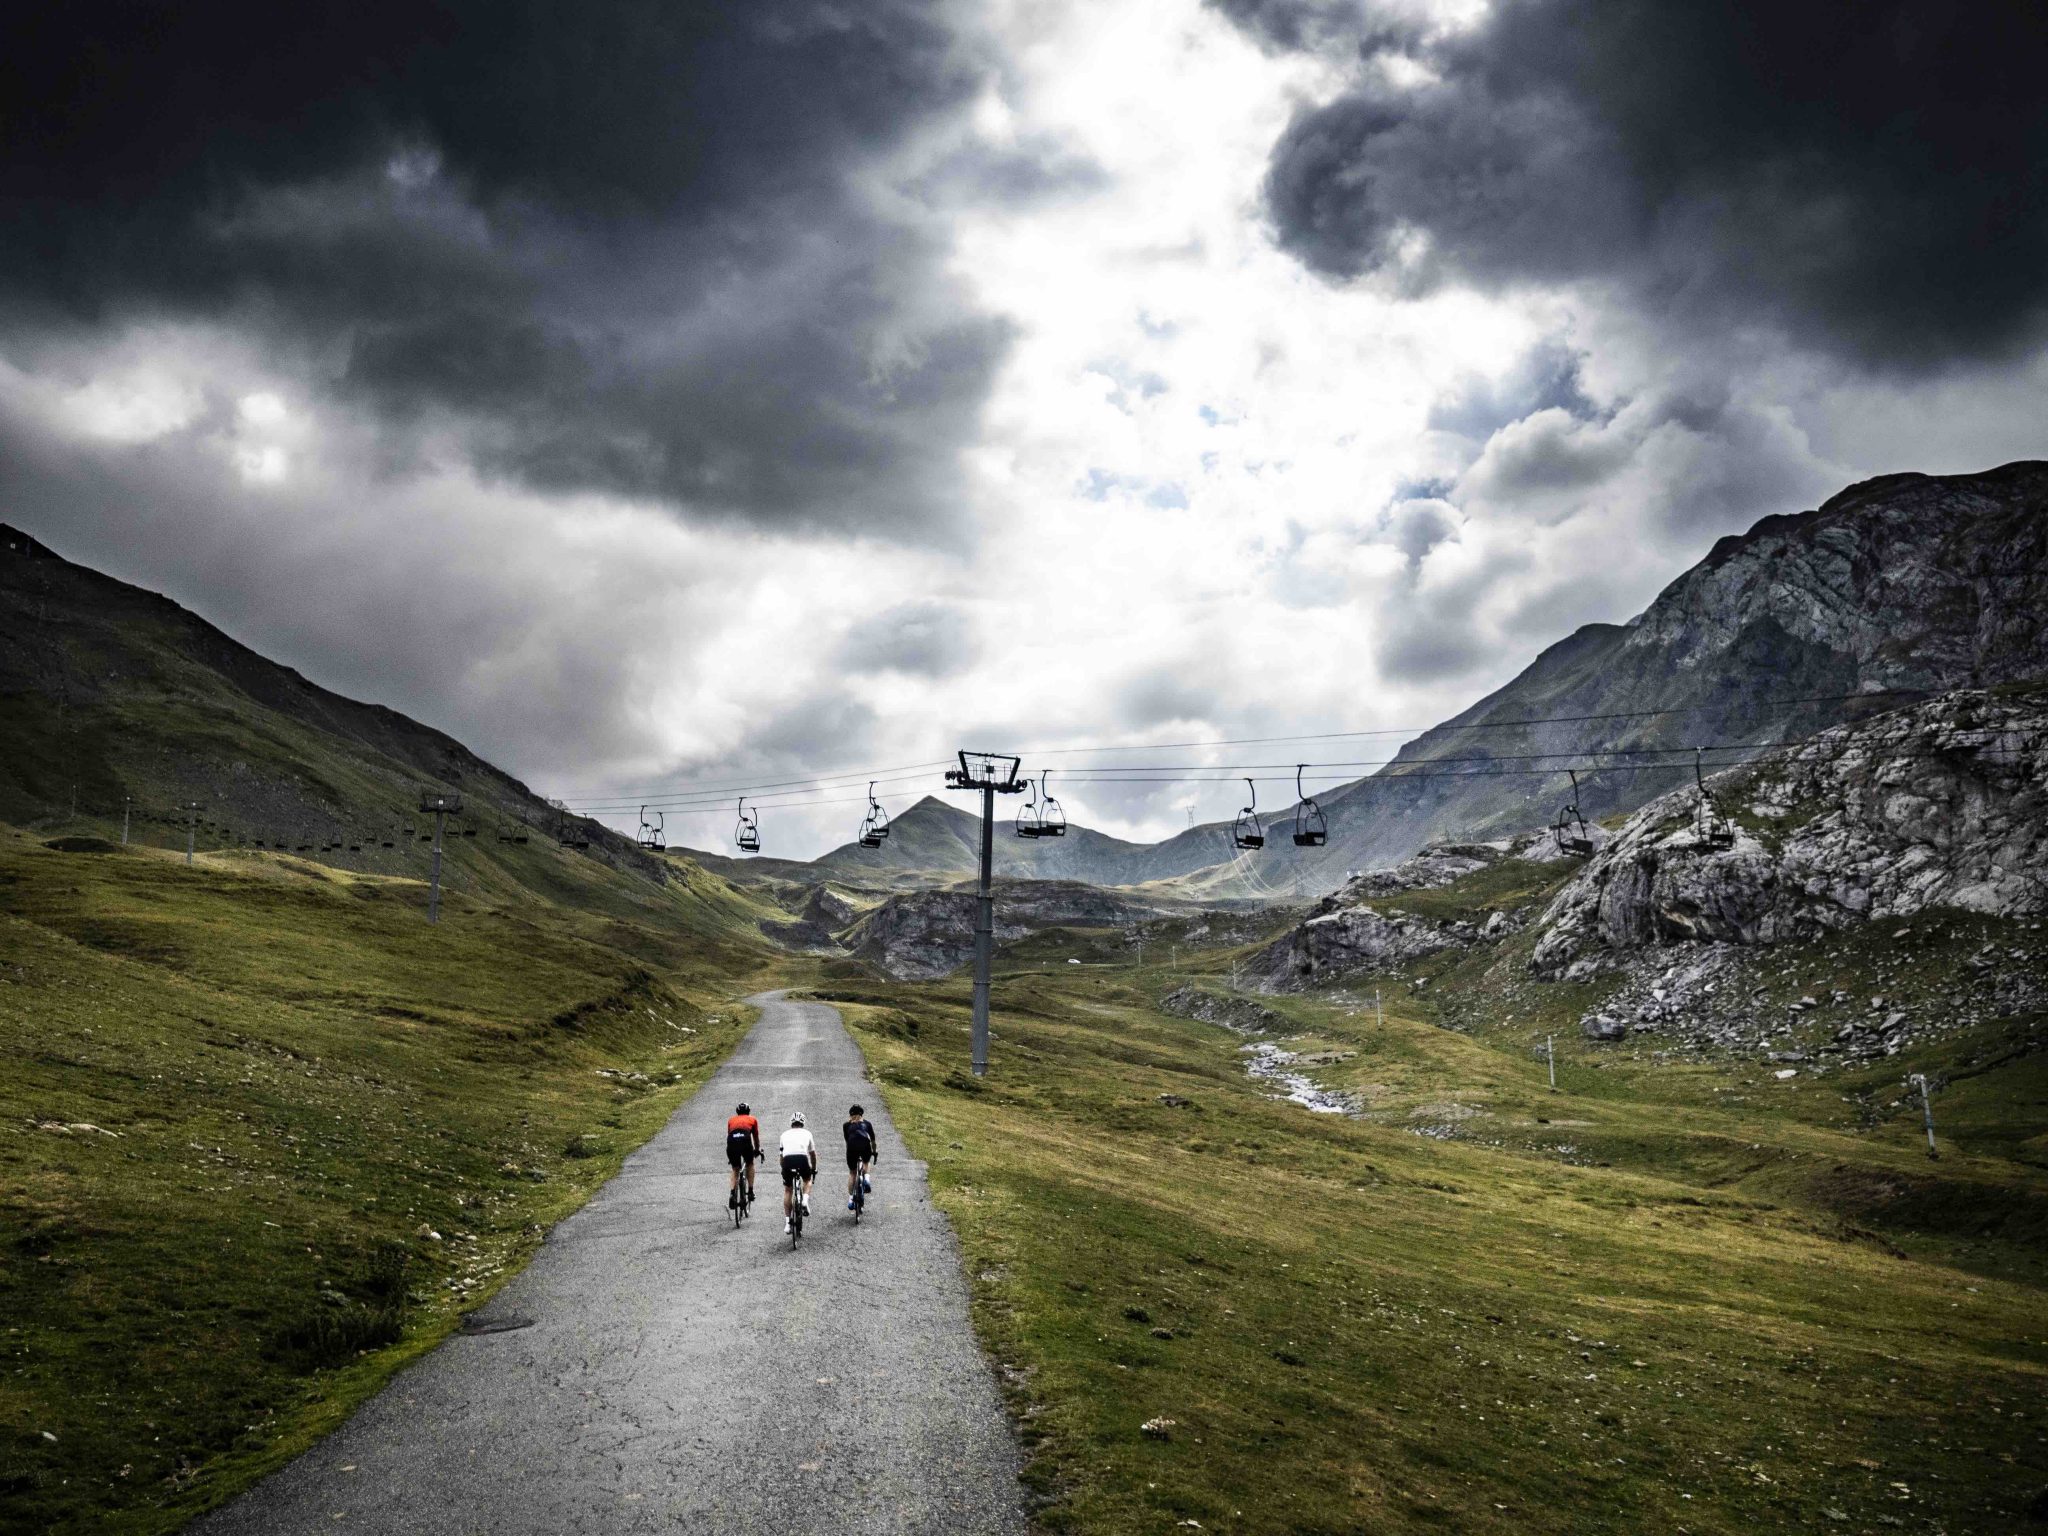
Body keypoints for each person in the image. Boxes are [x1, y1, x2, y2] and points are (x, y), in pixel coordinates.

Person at [777, 1112, 817, 1233]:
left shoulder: (784, 1135)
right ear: (803, 1123)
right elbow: (813, 1155)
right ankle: (805, 1199)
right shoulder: (807, 1133)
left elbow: (781, 1157)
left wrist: (783, 1168)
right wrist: (813, 1169)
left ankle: (788, 1223)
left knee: (788, 1190)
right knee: (807, 1180)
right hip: (802, 1159)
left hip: (788, 1161)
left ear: (791, 1123)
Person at [725, 1102, 761, 1210]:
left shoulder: (731, 1120)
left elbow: (729, 1135)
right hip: (745, 1141)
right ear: (748, 1111)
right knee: (750, 1164)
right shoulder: (752, 1119)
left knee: (735, 1169)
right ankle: (750, 1191)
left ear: (737, 1111)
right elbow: (755, 1137)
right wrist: (757, 1150)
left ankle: (732, 1193)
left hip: (732, 1143)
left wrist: (731, 1157)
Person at [843, 1103, 878, 1210]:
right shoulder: (867, 1124)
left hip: (852, 1148)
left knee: (852, 1172)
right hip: (864, 1145)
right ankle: (866, 1179)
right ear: (862, 1114)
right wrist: (874, 1151)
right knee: (866, 1162)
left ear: (850, 1115)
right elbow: (873, 1141)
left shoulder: (846, 1125)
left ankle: (850, 1199)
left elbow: (847, 1140)